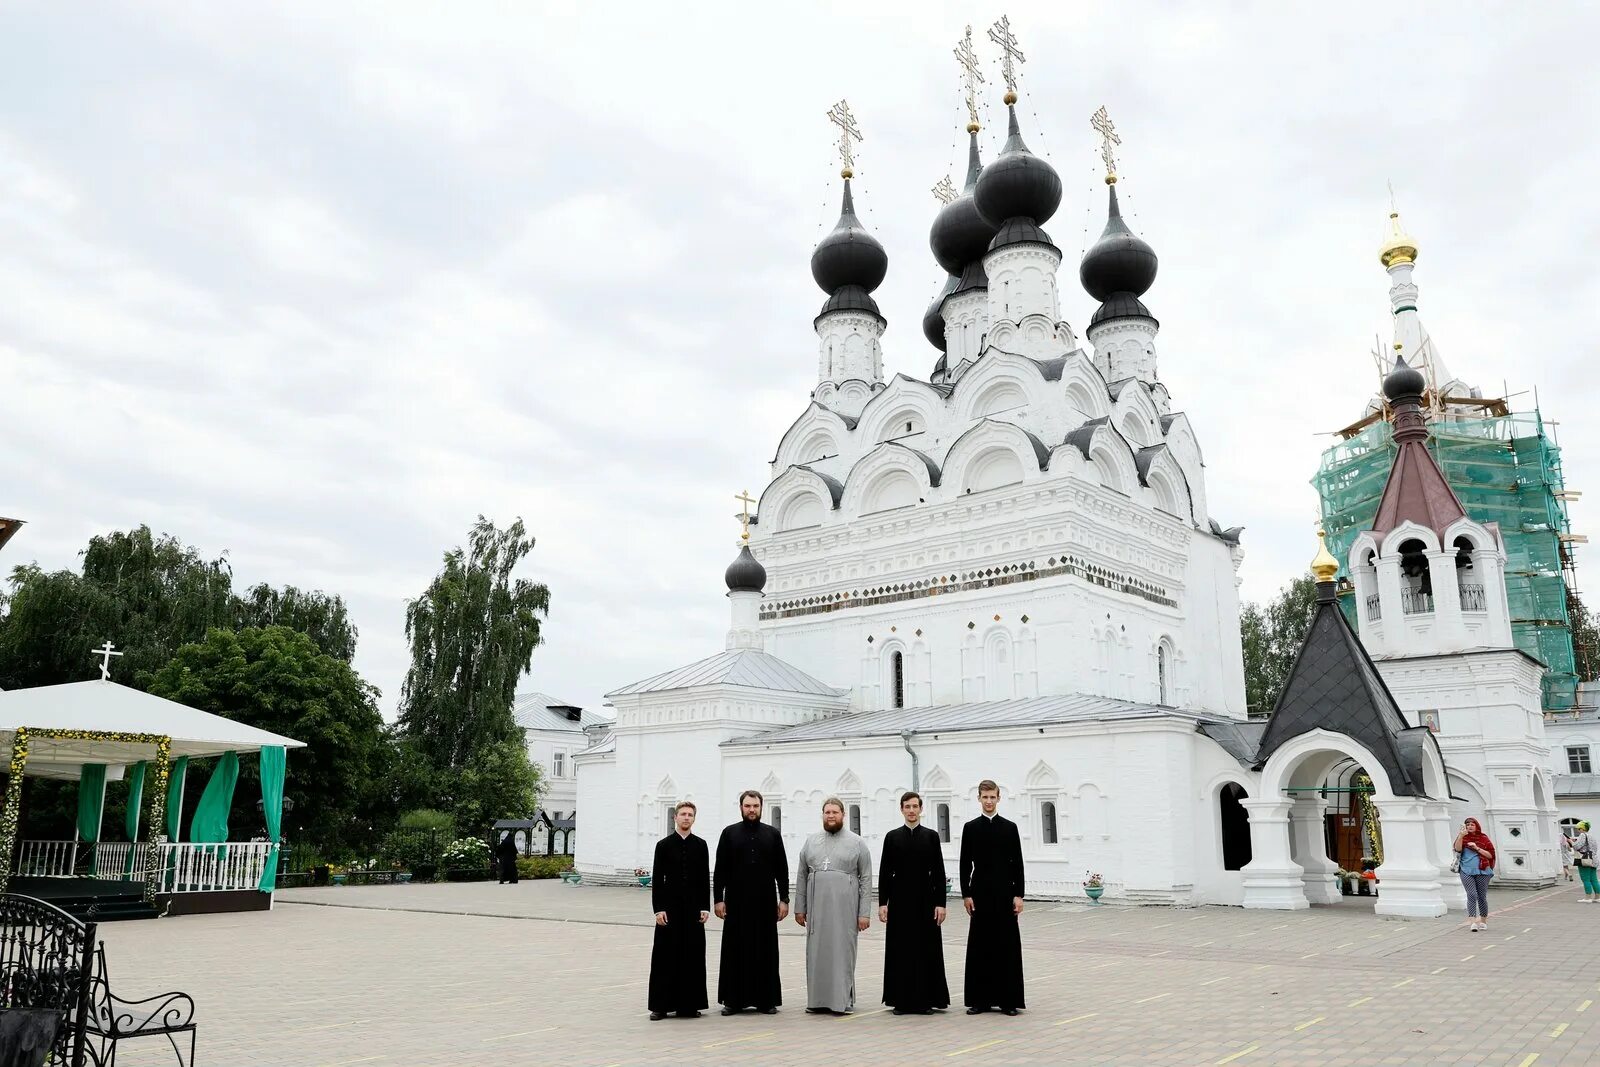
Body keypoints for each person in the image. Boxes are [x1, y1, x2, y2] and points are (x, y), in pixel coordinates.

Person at [793, 797, 873, 1014]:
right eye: (827, 812)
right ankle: (817, 1001)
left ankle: (841, 1000)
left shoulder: (857, 843)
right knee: (816, 952)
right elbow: (802, 874)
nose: (831, 816)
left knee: (842, 951)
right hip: (817, 909)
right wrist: (799, 907)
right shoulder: (811, 842)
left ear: (843, 815)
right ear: (822, 814)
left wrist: (864, 913)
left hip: (845, 909)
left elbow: (866, 878)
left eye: (835, 812)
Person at [713, 790, 789, 1014]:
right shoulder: (729, 833)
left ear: (761, 807)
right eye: (747, 806)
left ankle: (766, 1000)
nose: (752, 810)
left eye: (755, 806)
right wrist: (718, 899)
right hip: (736, 902)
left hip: (765, 902)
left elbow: (781, 869)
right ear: (741, 807)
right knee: (735, 950)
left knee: (765, 950)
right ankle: (732, 1000)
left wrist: (783, 899)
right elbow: (720, 870)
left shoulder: (772, 834)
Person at [878, 790, 949, 1015]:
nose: (911, 811)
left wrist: (941, 903)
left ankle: (926, 1000)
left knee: (926, 949)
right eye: (907, 807)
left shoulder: (930, 836)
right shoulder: (892, 837)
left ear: (921, 809)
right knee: (901, 950)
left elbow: (938, 871)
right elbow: (885, 872)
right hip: (899, 901)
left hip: (925, 900)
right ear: (901, 809)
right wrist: (883, 903)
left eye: (915, 807)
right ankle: (901, 1001)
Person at [959, 779, 1025, 1015]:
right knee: (980, 946)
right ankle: (980, 1000)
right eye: (984, 797)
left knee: (1006, 945)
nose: (988, 801)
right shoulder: (971, 828)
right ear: (978, 798)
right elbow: (965, 863)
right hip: (980, 893)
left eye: (992, 797)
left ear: (998, 798)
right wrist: (966, 894)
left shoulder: (1010, 828)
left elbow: (1017, 863)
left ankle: (1009, 1001)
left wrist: (1019, 894)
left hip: (1005, 893)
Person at [648, 801, 710, 1020]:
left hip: (693, 909)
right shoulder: (663, 845)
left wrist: (705, 907)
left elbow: (704, 879)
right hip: (670, 909)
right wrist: (659, 909)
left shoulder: (701, 845)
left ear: (694, 818)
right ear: (675, 817)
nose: (686, 817)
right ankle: (660, 1006)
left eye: (690, 814)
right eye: (682, 814)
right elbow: (657, 879)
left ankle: (690, 1005)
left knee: (692, 955)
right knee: (665, 956)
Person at [1452, 817, 1496, 931]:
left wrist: (1477, 848)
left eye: (1472, 824)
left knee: (1482, 896)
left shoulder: (1483, 838)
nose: (1470, 826)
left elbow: (1490, 855)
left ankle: (1483, 921)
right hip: (1466, 870)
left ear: (1476, 826)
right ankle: (1472, 922)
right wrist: (1461, 836)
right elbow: (1457, 849)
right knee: (1471, 895)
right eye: (1468, 824)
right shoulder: (1463, 837)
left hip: (1483, 871)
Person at [1572, 820, 1599, 902]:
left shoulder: (1582, 835)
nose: (1577, 830)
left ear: (1582, 829)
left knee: (1585, 879)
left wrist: (1571, 842)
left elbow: (1576, 847)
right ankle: (1598, 897)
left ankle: (1588, 897)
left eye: (1578, 829)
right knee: (1594, 879)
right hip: (1593, 859)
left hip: (1585, 859)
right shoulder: (1591, 836)